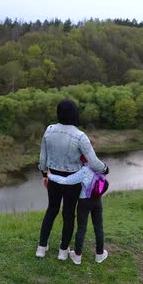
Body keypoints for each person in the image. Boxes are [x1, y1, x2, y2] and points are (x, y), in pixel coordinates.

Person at [36, 99, 108, 260]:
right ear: (75, 113)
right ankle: (63, 251)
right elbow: (93, 161)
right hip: (73, 180)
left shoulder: (49, 130)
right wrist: (105, 169)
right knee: (68, 214)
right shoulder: (80, 136)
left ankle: (41, 247)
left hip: (53, 177)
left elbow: (42, 158)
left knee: (51, 210)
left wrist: (44, 174)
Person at [47, 165, 108, 265]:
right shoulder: (99, 165)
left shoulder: (84, 171)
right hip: (97, 200)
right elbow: (105, 172)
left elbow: (66, 180)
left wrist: (50, 176)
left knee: (81, 228)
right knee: (98, 227)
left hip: (84, 202)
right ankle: (100, 255)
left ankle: (77, 256)